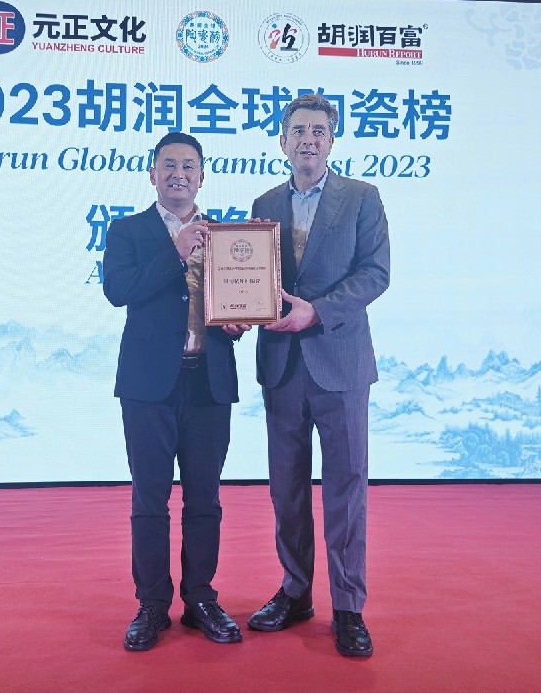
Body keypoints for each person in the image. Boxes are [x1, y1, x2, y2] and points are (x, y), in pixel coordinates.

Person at [246, 94, 390, 658]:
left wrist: (318, 310)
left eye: (319, 131)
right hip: (282, 364)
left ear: (332, 141)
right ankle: (296, 592)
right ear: (282, 141)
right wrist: (238, 310)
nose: (308, 140)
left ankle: (348, 606)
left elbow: (376, 273)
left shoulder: (362, 197)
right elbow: (252, 278)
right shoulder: (264, 203)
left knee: (346, 487)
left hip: (341, 362)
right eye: (298, 131)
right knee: (286, 488)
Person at [103, 131, 244, 652]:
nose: (178, 173)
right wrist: (175, 250)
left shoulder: (227, 236)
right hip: (148, 387)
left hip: (209, 381)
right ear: (152, 174)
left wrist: (238, 321)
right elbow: (118, 291)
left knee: (205, 498)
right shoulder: (128, 231)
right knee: (150, 499)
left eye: (188, 166)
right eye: (169, 165)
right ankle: (152, 604)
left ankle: (201, 598)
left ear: (202, 176)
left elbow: (237, 299)